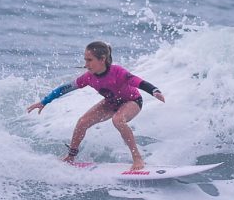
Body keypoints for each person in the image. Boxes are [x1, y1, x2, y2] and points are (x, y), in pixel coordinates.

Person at [27, 41, 165, 170]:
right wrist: (44, 101)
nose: (86, 64)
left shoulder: (118, 72)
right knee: (82, 122)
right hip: (111, 103)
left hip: (132, 101)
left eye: (89, 60)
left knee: (118, 120)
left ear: (102, 59)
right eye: (85, 60)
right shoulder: (88, 77)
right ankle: (70, 156)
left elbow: (138, 81)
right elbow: (65, 88)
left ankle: (138, 158)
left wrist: (154, 91)